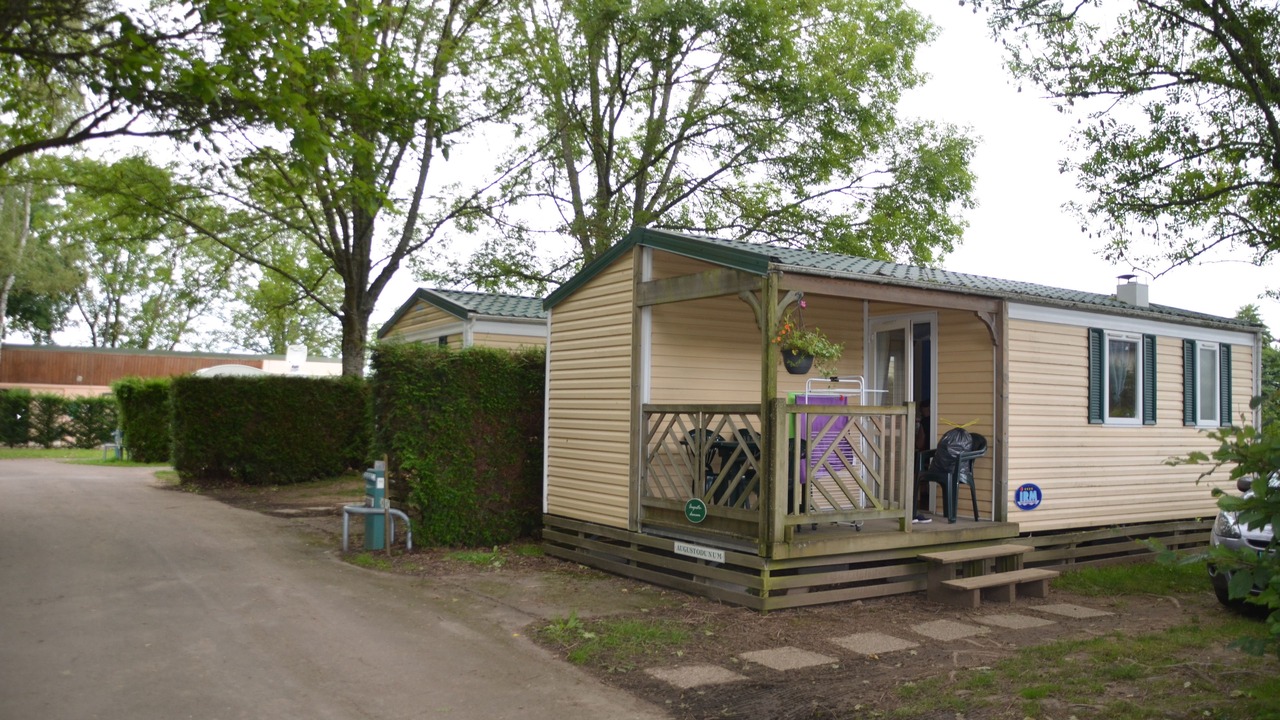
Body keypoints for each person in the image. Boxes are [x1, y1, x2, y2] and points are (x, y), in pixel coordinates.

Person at [913, 400, 932, 524]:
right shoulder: (934, 420)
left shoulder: (925, 422)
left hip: (926, 455)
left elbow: (919, 444)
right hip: (935, 457)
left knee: (916, 459)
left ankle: (920, 493)